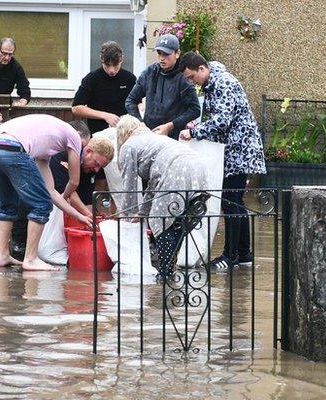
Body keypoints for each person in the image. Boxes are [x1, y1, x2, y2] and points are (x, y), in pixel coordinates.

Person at [0, 114, 114, 271]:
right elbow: (74, 181)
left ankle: (2, 256)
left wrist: (79, 216)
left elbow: (51, 191)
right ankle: (31, 259)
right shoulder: (75, 137)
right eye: (96, 163)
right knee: (41, 204)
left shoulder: (43, 151)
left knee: (7, 204)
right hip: (13, 148)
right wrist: (67, 197)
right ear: (87, 151)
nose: (96, 169)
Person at [178, 52, 266, 270]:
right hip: (235, 148)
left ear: (201, 68)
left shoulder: (223, 82)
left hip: (239, 149)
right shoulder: (213, 81)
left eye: (191, 77)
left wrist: (195, 132)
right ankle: (244, 253)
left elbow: (222, 121)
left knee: (230, 201)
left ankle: (231, 256)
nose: (192, 82)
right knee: (235, 200)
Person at [113, 115, 208, 279]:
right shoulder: (154, 139)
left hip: (176, 169)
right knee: (179, 223)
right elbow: (154, 184)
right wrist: (142, 213)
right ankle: (169, 268)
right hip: (198, 166)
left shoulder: (128, 146)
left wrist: (126, 214)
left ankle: (166, 272)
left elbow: (128, 184)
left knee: (160, 220)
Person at [124, 34, 200, 140]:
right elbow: (130, 101)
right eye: (159, 54)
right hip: (148, 135)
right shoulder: (149, 72)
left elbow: (195, 110)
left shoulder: (183, 77)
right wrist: (140, 125)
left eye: (166, 54)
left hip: (173, 139)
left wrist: (170, 125)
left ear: (177, 54)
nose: (161, 58)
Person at [71, 41, 137, 134]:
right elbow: (76, 108)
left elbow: (138, 104)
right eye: (107, 65)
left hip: (125, 133)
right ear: (101, 59)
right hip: (98, 134)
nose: (112, 70)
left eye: (115, 65)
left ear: (121, 59)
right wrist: (105, 116)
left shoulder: (129, 78)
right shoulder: (91, 79)